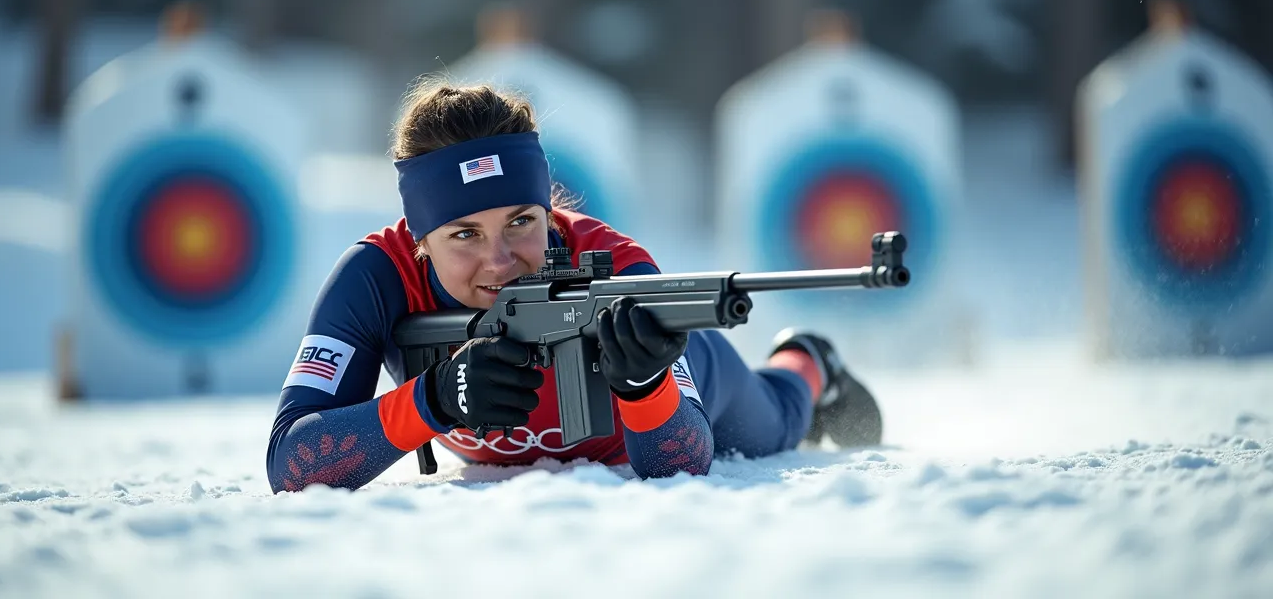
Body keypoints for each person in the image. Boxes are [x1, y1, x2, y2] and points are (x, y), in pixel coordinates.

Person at [265, 80, 883, 492]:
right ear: (419, 239)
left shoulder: (620, 269)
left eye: (521, 223)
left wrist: (644, 385)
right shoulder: (376, 278)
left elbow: (682, 467)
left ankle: (809, 360)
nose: (500, 261)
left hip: (694, 387)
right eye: (464, 235)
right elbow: (289, 464)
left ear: (547, 211)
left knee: (777, 420)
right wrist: (434, 399)